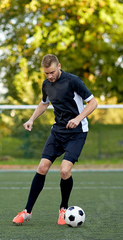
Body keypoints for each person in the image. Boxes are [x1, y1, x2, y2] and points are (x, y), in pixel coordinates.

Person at [12, 54, 98, 225]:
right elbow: (44, 103)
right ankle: (27, 211)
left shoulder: (73, 81)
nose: (49, 76)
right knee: (42, 167)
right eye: (46, 73)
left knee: (64, 171)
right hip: (58, 131)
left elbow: (93, 103)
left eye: (52, 72)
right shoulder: (46, 85)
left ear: (59, 66)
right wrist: (31, 119)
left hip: (77, 132)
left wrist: (78, 118)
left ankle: (63, 209)